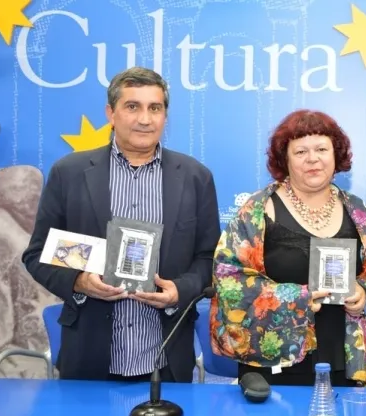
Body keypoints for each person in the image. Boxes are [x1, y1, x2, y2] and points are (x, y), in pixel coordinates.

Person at [21, 67, 220, 382]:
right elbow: (37, 254)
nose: (145, 119)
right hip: (88, 360)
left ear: (165, 116)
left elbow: (210, 258)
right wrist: (78, 282)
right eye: (132, 106)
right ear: (110, 113)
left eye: (155, 108)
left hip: (167, 361)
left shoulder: (196, 177)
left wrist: (179, 291)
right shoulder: (69, 173)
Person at [209, 109, 366, 387]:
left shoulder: (358, 210)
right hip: (275, 359)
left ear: (335, 155)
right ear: (285, 159)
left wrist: (362, 291)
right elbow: (228, 281)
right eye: (301, 151)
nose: (312, 159)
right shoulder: (257, 210)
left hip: (344, 356)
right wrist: (297, 298)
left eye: (321, 149)